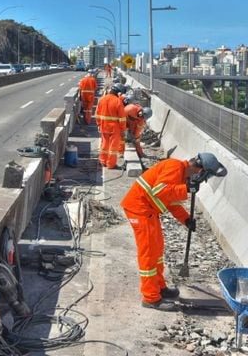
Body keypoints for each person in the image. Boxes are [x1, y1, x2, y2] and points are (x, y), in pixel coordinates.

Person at [120, 152, 225, 311]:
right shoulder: (174, 167)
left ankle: (160, 287)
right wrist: (186, 188)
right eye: (204, 175)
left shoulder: (180, 174)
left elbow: (170, 201)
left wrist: (186, 219)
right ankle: (150, 298)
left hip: (148, 212)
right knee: (148, 254)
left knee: (157, 251)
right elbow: (159, 191)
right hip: (139, 210)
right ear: (199, 170)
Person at [95, 84, 127, 169]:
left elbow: (97, 114)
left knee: (104, 144)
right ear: (118, 92)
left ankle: (102, 161)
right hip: (114, 128)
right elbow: (122, 118)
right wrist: (123, 129)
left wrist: (98, 124)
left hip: (103, 126)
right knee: (113, 147)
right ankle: (111, 164)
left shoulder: (102, 99)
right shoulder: (117, 101)